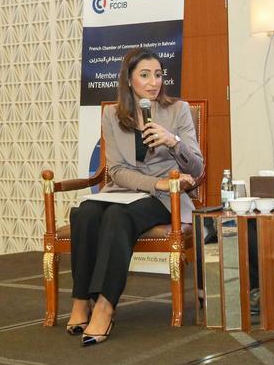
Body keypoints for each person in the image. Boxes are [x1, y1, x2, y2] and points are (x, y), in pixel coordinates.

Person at [67, 47, 204, 346]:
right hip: (126, 191)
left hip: (165, 199)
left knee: (117, 217)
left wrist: (173, 141)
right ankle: (81, 299)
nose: (154, 82)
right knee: (85, 213)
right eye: (145, 75)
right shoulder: (112, 115)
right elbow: (116, 171)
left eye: (158, 75)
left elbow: (197, 169)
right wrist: (154, 182)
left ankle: (105, 306)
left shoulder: (178, 110)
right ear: (129, 80)